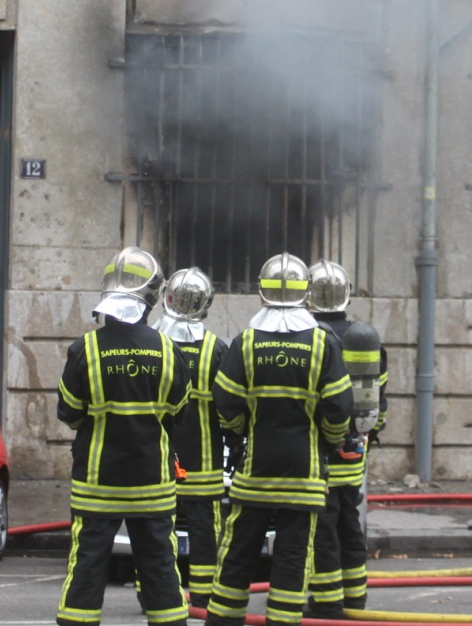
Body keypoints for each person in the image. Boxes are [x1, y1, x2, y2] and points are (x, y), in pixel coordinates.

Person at [205, 253, 353, 626]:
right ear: (306, 295)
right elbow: (338, 410)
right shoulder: (322, 343)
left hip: (255, 473)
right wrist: (327, 441)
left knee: (238, 551)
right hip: (304, 475)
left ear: (261, 293)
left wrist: (243, 432)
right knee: (292, 557)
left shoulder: (246, 341)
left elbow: (225, 402)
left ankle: (222, 619)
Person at [55, 247, 191, 626]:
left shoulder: (85, 350)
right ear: (150, 299)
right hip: (153, 482)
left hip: (97, 485)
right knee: (161, 569)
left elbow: (68, 412)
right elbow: (179, 411)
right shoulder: (169, 350)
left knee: (86, 570)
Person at [304, 260, 389, 618]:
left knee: (322, 530)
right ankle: (356, 596)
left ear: (309, 297)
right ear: (347, 296)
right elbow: (380, 400)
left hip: (318, 455)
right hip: (354, 454)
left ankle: (326, 602)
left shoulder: (308, 337)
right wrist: (370, 435)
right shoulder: (365, 340)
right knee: (350, 525)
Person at [152, 267, 228, 609]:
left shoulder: (153, 343)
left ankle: (154, 593)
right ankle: (202, 595)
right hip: (205, 461)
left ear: (167, 299)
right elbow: (230, 408)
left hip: (161, 457)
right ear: (205, 303)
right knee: (204, 531)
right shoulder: (216, 348)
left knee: (156, 530)